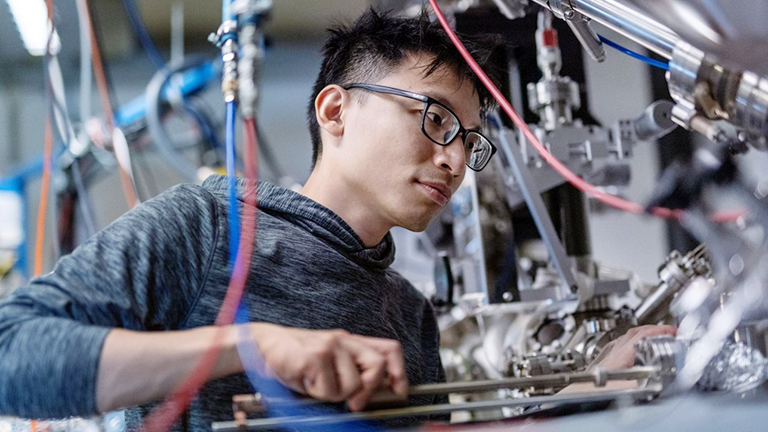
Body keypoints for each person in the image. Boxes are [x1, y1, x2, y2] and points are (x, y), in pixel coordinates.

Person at [0, 8, 674, 432]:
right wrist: (250, 347)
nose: (455, 159)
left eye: (471, 140)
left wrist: (595, 388)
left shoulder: (407, 312)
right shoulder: (208, 227)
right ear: (335, 111)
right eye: (436, 119)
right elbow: (11, 355)